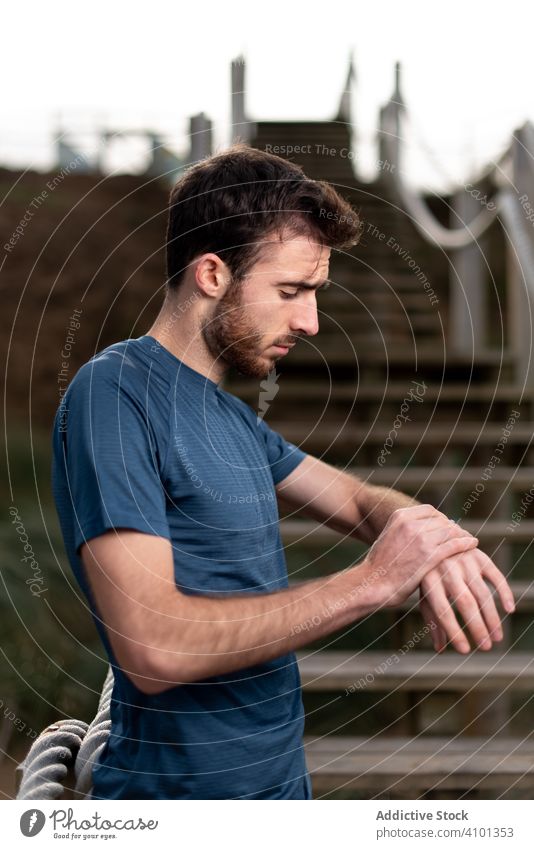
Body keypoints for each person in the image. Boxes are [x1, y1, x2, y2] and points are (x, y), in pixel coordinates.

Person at [51, 144, 515, 800]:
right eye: (292, 290)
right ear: (212, 273)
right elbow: (153, 647)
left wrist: (428, 536)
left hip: (283, 797)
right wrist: (373, 581)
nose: (311, 320)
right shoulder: (115, 395)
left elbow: (357, 502)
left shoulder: (233, 421)